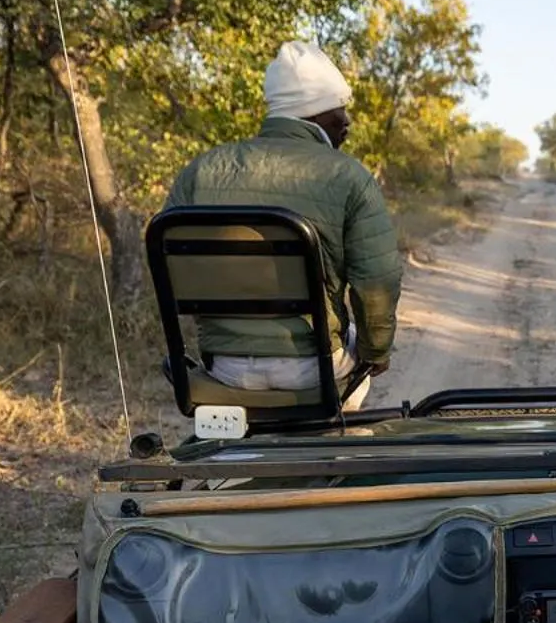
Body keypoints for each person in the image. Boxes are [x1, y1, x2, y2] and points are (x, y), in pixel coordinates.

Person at [165, 40, 401, 410]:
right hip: (315, 366)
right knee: (359, 359)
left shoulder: (200, 171)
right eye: (340, 109)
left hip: (225, 366)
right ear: (317, 114)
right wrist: (377, 352)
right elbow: (378, 281)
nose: (347, 122)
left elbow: (170, 270)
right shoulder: (349, 176)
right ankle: (336, 452)